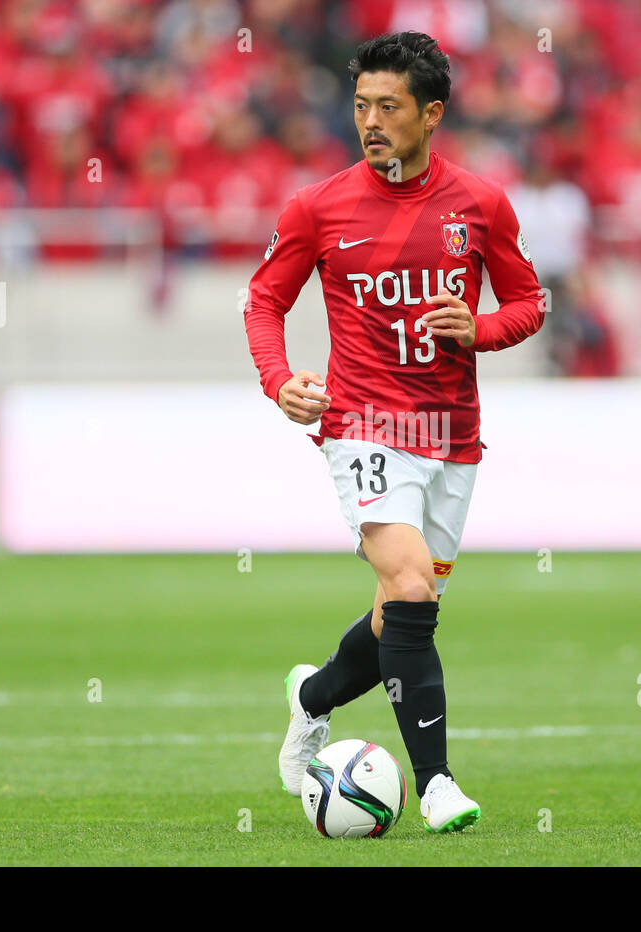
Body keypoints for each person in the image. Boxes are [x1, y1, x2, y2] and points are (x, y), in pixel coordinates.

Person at [243, 32, 544, 833]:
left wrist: (478, 329)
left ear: (431, 114)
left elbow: (530, 304)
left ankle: (311, 698)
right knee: (410, 585)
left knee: (401, 612)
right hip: (362, 423)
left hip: (452, 433)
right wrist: (282, 383)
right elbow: (263, 301)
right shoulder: (318, 206)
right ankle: (437, 783)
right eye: (361, 105)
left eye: (388, 107)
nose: (370, 121)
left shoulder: (481, 204)